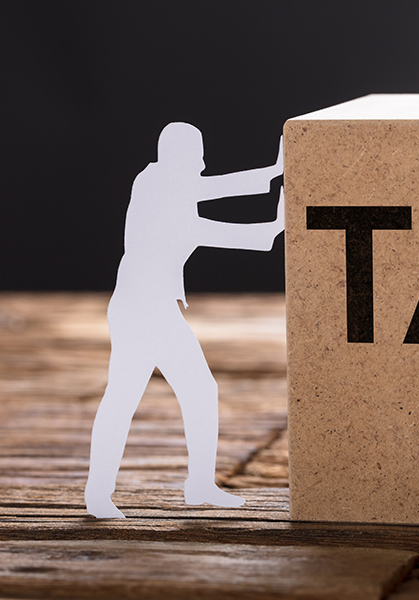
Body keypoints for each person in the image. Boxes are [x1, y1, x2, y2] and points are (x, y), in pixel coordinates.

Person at [85, 122, 284, 518]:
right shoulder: (158, 188)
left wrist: (273, 175)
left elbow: (213, 191)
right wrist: (272, 223)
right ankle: (98, 493)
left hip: (153, 309)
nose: (203, 164)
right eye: (196, 157)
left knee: (198, 390)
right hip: (142, 310)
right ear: (177, 158)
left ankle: (198, 485)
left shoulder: (165, 187)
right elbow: (213, 220)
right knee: (123, 398)